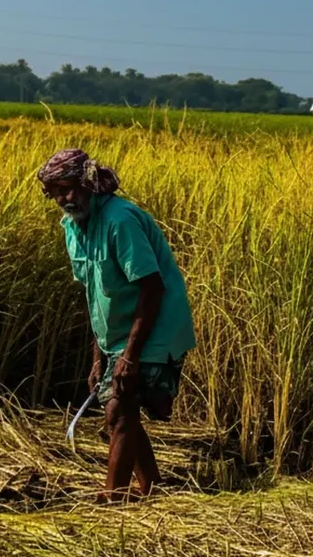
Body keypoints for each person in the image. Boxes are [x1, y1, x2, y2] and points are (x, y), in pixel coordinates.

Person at [37, 148, 196, 502]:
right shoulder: (72, 226)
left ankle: (115, 497)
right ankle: (151, 488)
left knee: (119, 409)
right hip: (116, 336)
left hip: (155, 329)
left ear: (89, 183)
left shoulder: (120, 220)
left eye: (72, 188)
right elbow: (96, 296)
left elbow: (151, 287)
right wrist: (100, 357)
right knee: (122, 406)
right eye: (58, 191)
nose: (66, 198)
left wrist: (129, 356)